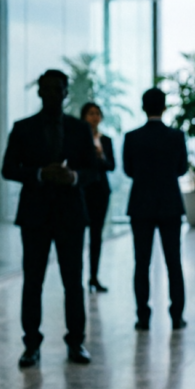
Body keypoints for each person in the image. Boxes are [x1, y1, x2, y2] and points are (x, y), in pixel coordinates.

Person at [2, 69, 97, 368]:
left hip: (70, 214)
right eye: (47, 89)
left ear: (66, 93)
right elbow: (8, 169)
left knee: (73, 282)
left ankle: (76, 343)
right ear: (39, 92)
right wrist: (40, 174)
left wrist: (73, 177)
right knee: (33, 282)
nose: (53, 94)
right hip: (35, 215)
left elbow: (94, 172)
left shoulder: (80, 130)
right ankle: (31, 345)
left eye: (59, 89)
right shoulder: (22, 128)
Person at [124, 88, 189, 331]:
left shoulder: (132, 137)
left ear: (143, 107)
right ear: (164, 107)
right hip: (170, 204)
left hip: (140, 205)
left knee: (141, 263)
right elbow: (181, 168)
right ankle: (176, 316)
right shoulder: (176, 136)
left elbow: (128, 170)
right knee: (174, 262)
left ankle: (143, 316)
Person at [81, 102, 115, 292]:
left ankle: (94, 276)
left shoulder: (106, 140)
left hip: (100, 192)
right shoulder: (79, 139)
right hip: (83, 190)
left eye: (97, 114)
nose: (94, 117)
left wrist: (101, 156)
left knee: (96, 235)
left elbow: (112, 165)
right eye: (91, 113)